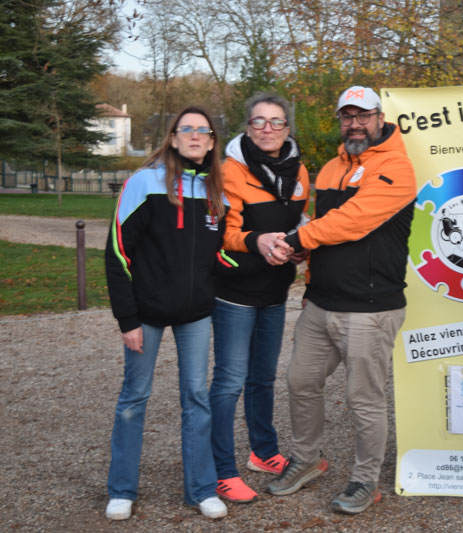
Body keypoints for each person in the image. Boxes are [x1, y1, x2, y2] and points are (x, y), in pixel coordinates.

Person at [261, 85, 417, 515]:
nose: (354, 123)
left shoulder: (397, 167)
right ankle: (308, 459)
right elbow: (324, 228)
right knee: (300, 382)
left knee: (364, 399)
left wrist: (297, 237)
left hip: (370, 307)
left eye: (363, 115)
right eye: (347, 116)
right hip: (321, 302)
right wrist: (302, 250)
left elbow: (352, 222)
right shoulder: (330, 168)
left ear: (380, 118)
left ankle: (365, 481)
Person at [104, 106, 229, 521]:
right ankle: (121, 489)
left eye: (203, 131)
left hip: (196, 314)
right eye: (185, 129)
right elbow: (118, 252)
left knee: (197, 398)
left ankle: (201, 489)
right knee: (133, 399)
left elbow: (221, 255)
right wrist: (128, 319)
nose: (194, 136)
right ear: (173, 138)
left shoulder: (216, 193)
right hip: (148, 313)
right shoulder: (145, 182)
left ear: (212, 142)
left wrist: (272, 254)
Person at [209, 93, 310, 503]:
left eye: (276, 121)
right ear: (247, 126)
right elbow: (221, 232)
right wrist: (256, 240)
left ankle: (263, 452)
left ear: (288, 128)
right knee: (229, 381)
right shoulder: (228, 170)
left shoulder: (299, 169)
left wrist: (302, 247)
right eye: (259, 121)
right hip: (234, 292)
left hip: (274, 290)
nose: (268, 129)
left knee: (263, 378)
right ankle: (219, 469)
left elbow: (301, 221)